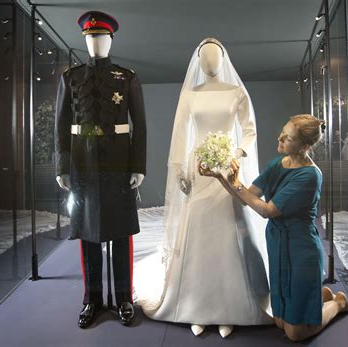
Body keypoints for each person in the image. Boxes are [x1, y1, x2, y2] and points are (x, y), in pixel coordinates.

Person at [134, 38, 271, 338]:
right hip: (200, 169)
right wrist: (181, 169)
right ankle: (197, 307)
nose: (209, 60)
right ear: (199, 60)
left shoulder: (236, 92)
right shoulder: (190, 95)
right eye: (204, 55)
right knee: (198, 235)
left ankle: (229, 309)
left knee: (227, 235)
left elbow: (249, 130)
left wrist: (236, 155)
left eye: (214, 55)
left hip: (228, 169)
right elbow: (181, 133)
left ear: (223, 58)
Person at [199, 114, 348, 342]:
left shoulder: (310, 175)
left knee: (294, 333)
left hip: (301, 248)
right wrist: (220, 176)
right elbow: (246, 197)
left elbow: (267, 210)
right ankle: (319, 295)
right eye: (282, 131)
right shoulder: (276, 164)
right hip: (278, 242)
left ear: (305, 146)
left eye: (288, 137)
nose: (280, 138)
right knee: (279, 321)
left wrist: (235, 182)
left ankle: (338, 302)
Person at [54, 11, 147, 328]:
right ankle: (92, 300)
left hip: (120, 164)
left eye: (101, 37)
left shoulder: (127, 76)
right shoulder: (71, 78)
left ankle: (123, 299)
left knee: (120, 233)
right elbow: (61, 125)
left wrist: (138, 166)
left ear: (111, 39)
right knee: (89, 234)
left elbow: (141, 126)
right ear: (85, 40)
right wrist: (61, 167)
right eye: (90, 38)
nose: (96, 43)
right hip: (83, 164)